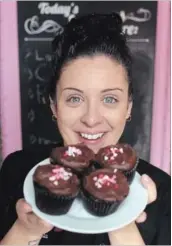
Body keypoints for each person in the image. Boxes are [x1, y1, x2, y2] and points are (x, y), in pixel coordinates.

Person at [0, 13, 170, 245]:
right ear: (54, 106)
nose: (91, 119)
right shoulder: (17, 171)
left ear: (128, 107)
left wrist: (122, 222)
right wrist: (24, 230)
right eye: (74, 99)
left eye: (110, 99)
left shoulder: (162, 192)